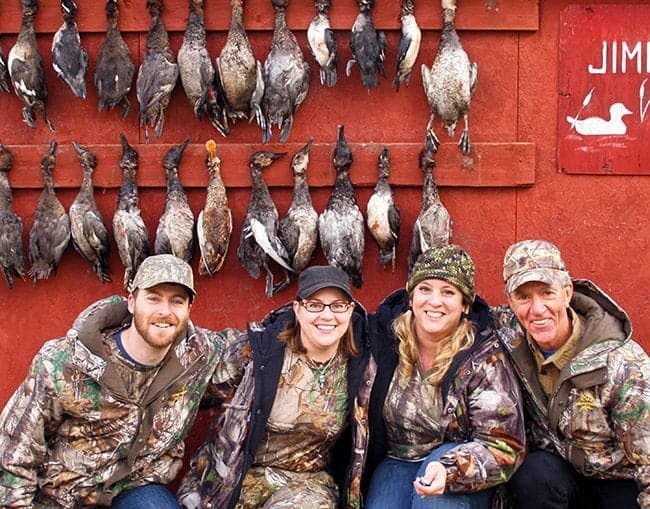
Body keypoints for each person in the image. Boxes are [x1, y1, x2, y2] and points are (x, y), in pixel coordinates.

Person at [0, 254, 238, 508]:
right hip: (62, 496)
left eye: (176, 301)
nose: (164, 311)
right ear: (132, 302)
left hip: (134, 489)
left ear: (189, 309)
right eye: (153, 298)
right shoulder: (65, 362)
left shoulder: (200, 355)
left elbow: (256, 347)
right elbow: (14, 453)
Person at [177, 265, 372, 509]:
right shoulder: (259, 352)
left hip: (306, 485)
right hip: (234, 477)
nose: (327, 315)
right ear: (298, 309)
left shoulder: (362, 365)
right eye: (314, 305)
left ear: (350, 310)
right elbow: (191, 362)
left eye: (338, 305)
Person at [363, 244, 525, 509]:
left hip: (458, 462)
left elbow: (505, 446)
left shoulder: (483, 357)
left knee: (435, 503)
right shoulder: (382, 341)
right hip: (398, 459)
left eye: (448, 292)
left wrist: (452, 471)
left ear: (464, 305)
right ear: (411, 297)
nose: (434, 301)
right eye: (424, 289)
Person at [494, 239, 650, 508]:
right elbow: (450, 313)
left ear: (567, 293)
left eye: (546, 293)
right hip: (561, 479)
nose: (537, 309)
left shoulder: (622, 362)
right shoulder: (507, 337)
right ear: (510, 302)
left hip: (619, 482)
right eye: (523, 297)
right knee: (533, 474)